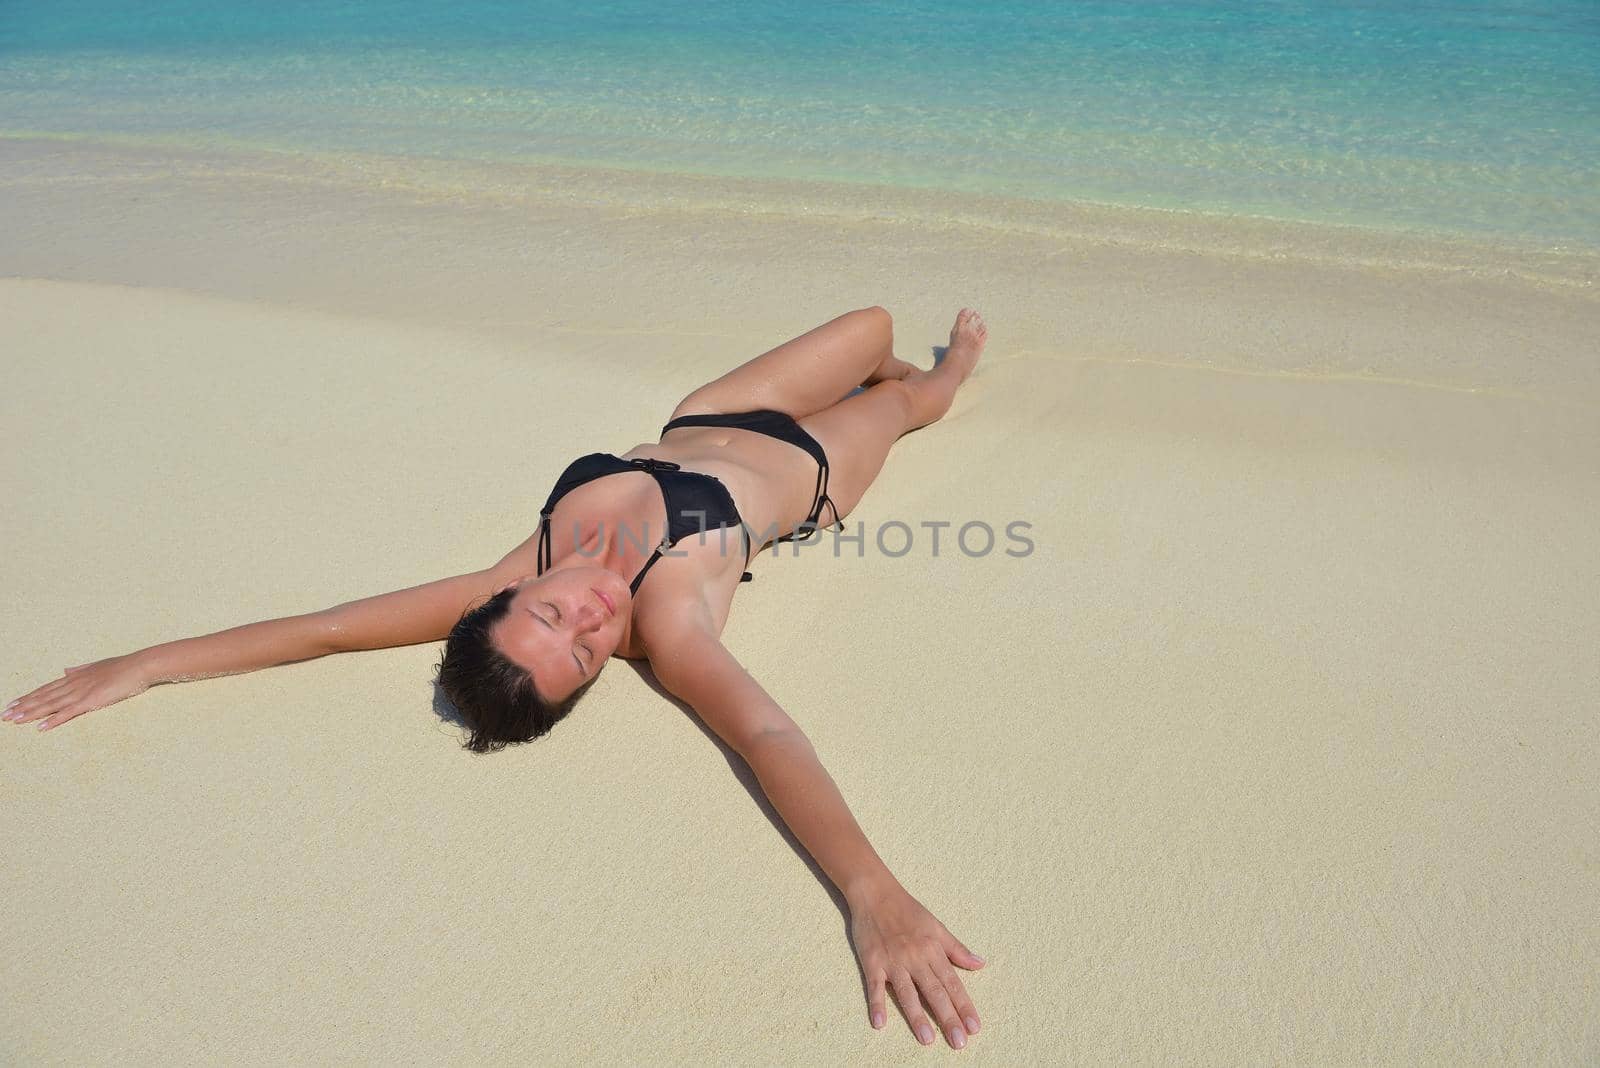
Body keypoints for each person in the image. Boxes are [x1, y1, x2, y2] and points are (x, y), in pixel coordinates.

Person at [5, 305, 991, 1049]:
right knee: (907, 394)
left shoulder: (501, 574)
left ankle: (889, 363)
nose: (590, 618)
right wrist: (872, 893)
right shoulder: (674, 619)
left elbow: (327, 630)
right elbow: (770, 739)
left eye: (550, 616)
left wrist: (142, 664)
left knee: (868, 325)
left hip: (706, 416)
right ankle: (945, 370)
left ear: (502, 604)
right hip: (809, 467)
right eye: (584, 656)